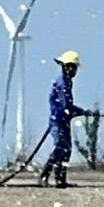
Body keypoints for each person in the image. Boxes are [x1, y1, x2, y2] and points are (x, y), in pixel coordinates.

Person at [37, 50, 92, 188]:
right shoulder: (62, 83)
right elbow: (67, 106)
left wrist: (80, 112)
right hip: (58, 121)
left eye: (75, 67)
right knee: (60, 148)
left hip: (63, 120)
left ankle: (60, 179)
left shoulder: (67, 82)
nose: (74, 70)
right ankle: (44, 175)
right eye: (72, 67)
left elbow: (68, 108)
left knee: (66, 149)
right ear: (66, 67)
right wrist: (82, 112)